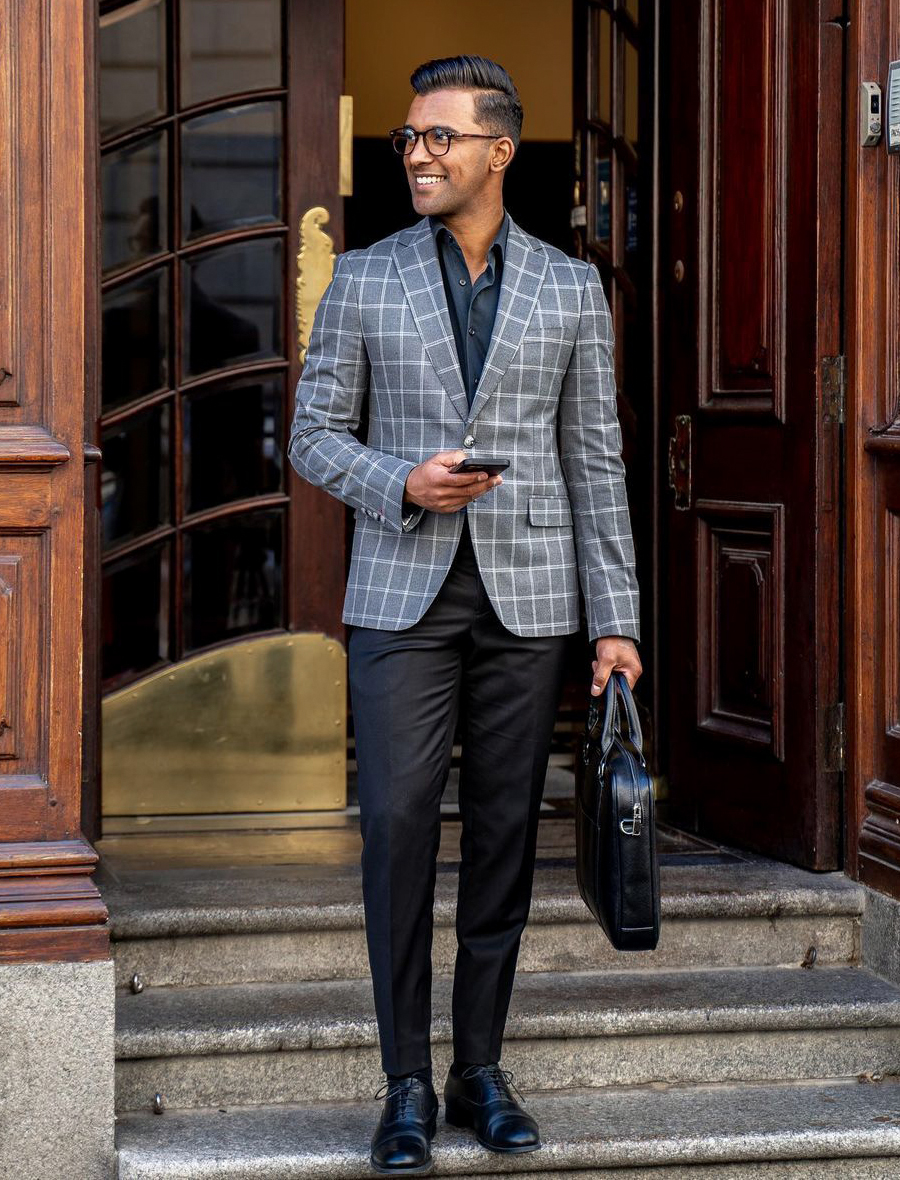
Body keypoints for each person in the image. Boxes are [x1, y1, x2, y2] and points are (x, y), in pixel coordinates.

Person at [289, 53, 642, 1176]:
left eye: (438, 137)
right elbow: (309, 436)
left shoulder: (571, 287)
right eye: (407, 139)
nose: (417, 154)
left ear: (499, 149)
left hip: (531, 602)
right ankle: (403, 1081)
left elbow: (596, 461)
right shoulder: (365, 277)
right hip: (401, 594)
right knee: (396, 828)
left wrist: (614, 624)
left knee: (502, 835)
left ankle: (479, 1069)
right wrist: (401, 481)